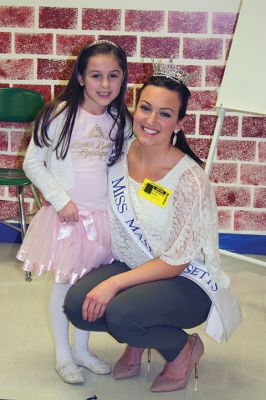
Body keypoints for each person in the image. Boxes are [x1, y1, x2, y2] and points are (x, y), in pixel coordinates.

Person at [64, 65, 242, 392]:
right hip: (135, 264)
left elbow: (177, 261)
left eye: (164, 114)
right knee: (77, 305)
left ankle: (182, 348)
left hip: (185, 279)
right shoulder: (122, 150)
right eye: (145, 108)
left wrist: (114, 284)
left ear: (179, 122)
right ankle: (138, 337)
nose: (150, 120)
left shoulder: (190, 179)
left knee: (120, 314)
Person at [16, 40, 132, 384]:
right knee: (64, 287)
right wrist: (59, 198)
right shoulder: (60, 114)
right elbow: (33, 162)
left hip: (104, 220)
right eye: (96, 75)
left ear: (122, 78)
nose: (105, 84)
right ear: (81, 77)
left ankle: (82, 349)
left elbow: (123, 167)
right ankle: (63, 355)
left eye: (113, 76)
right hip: (69, 219)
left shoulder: (119, 120)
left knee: (90, 289)